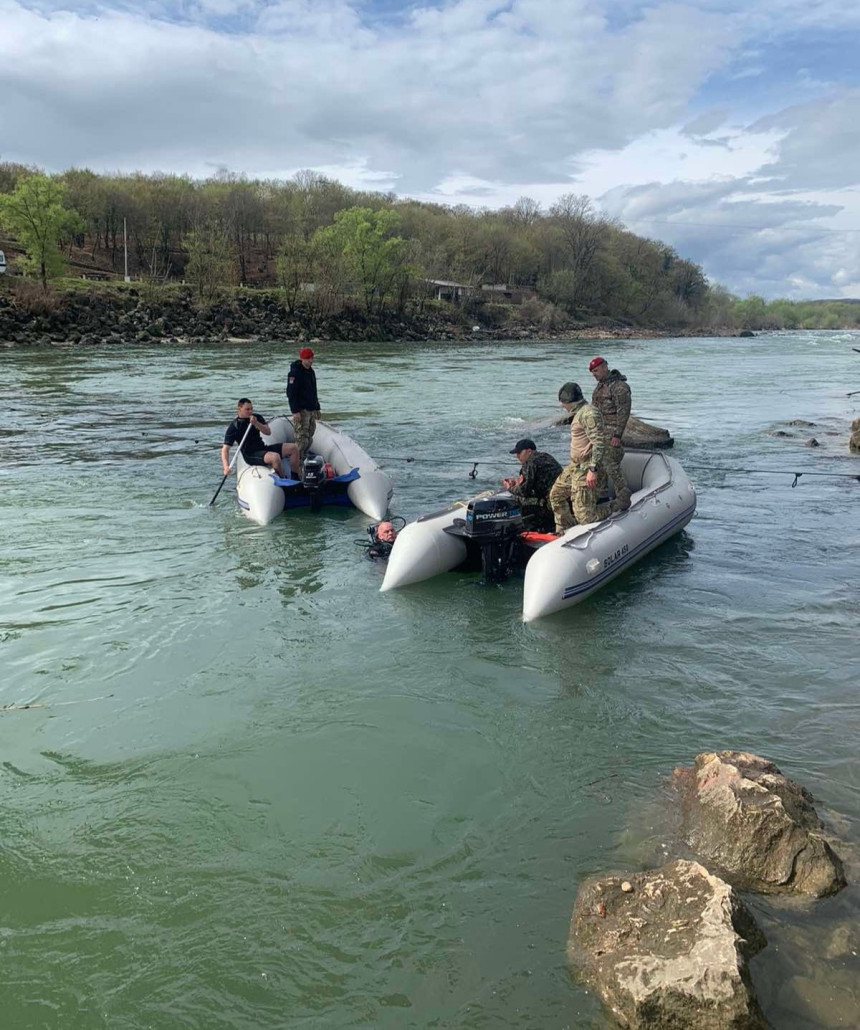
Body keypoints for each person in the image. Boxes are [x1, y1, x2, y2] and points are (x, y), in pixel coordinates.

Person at [548, 382, 610, 533]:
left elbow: (599, 442)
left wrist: (593, 469)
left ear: (570, 401)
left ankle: (614, 506)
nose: (563, 406)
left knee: (585, 517)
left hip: (586, 467)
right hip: (575, 466)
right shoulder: (579, 413)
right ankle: (565, 529)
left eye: (563, 403)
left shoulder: (589, 414)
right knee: (556, 495)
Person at [589, 356, 632, 512]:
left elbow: (623, 412)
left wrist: (617, 435)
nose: (595, 374)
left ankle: (623, 494)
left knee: (609, 463)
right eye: (593, 372)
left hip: (612, 433)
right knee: (598, 465)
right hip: (599, 434)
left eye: (597, 370)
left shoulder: (619, 387)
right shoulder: (600, 387)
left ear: (605, 367)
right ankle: (601, 497)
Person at [221, 398, 299, 479]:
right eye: (247, 409)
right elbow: (225, 449)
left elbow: (268, 432)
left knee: (293, 448)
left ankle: (295, 476)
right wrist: (226, 466)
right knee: (275, 457)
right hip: (250, 454)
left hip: (262, 448)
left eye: (251, 409)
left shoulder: (257, 417)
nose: (250, 411)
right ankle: (283, 481)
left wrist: (256, 423)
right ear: (239, 409)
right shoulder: (234, 426)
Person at [501, 437, 563, 531]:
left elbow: (524, 492)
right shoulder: (545, 456)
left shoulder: (530, 463)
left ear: (529, 451)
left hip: (550, 503)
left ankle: (526, 529)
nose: (517, 456)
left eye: (519, 453)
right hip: (562, 498)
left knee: (516, 498)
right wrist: (518, 484)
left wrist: (510, 487)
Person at [287, 346, 321, 462]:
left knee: (310, 435)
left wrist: (317, 408)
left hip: (311, 408)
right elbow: (291, 393)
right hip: (301, 410)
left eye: (311, 358)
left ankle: (304, 457)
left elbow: (314, 390)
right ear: (302, 359)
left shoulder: (311, 371)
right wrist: (295, 411)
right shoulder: (295, 373)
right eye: (308, 358)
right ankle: (298, 463)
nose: (310, 361)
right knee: (301, 438)